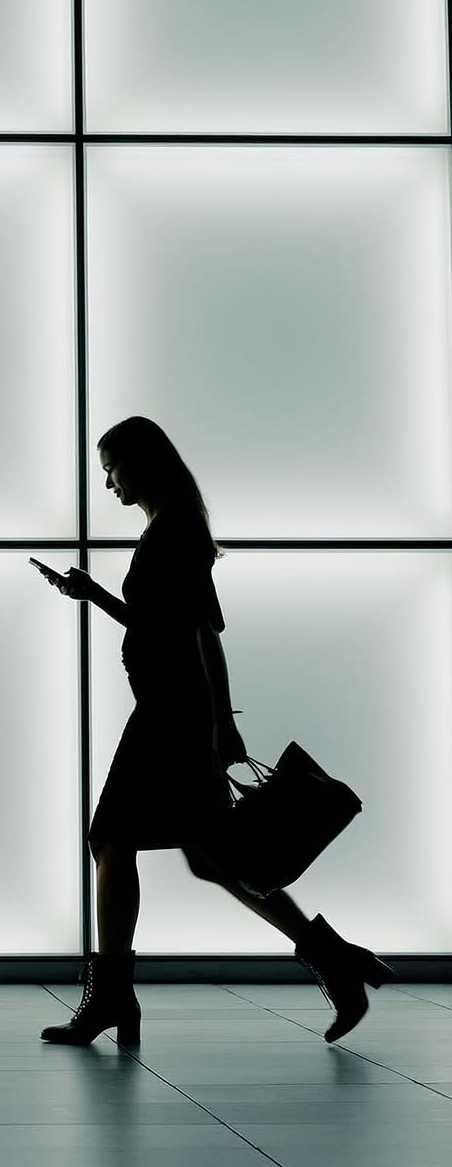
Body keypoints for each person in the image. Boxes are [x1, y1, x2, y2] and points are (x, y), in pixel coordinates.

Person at [35, 416, 391, 1047]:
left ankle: (113, 996)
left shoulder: (175, 531)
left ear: (142, 463)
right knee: (213, 858)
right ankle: (333, 959)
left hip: (172, 714)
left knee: (112, 838)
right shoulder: (170, 529)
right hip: (175, 709)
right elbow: (180, 629)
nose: (108, 481)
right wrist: (93, 596)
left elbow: (190, 635)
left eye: (112, 466)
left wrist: (220, 723)